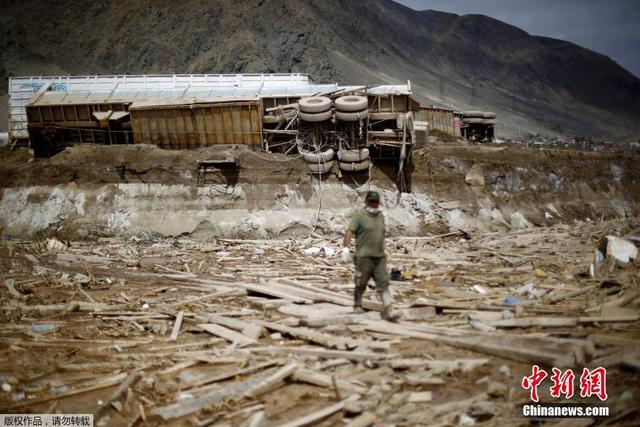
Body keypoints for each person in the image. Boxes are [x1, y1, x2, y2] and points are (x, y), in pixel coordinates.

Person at [341, 191, 398, 321]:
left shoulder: (380, 216)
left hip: (379, 257)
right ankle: (357, 305)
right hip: (363, 257)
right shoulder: (359, 216)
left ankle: (389, 310)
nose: (374, 205)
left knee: (383, 283)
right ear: (366, 202)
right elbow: (350, 231)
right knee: (361, 283)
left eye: (376, 202)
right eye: (371, 202)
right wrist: (345, 249)